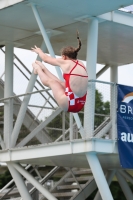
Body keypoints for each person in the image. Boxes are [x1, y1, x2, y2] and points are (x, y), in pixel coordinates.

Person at [31, 32, 88, 113]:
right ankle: (44, 69)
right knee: (60, 83)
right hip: (80, 103)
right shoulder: (81, 63)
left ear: (64, 56)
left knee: (52, 82)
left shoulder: (66, 62)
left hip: (69, 102)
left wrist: (39, 51)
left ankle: (38, 69)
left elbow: (46, 59)